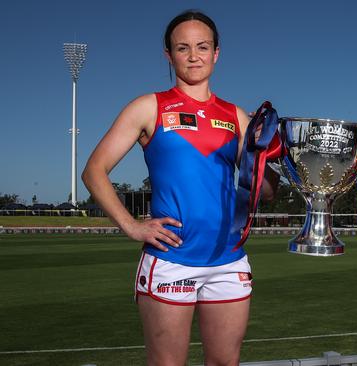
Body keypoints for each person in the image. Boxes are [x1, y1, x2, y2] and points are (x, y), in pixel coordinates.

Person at [82, 10, 276, 365]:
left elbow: (264, 192)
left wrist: (263, 154)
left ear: (216, 52)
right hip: (171, 261)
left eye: (202, 47)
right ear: (168, 55)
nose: (193, 56)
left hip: (227, 260)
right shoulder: (148, 107)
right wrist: (132, 225)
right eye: (182, 48)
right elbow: (94, 170)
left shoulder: (237, 116)